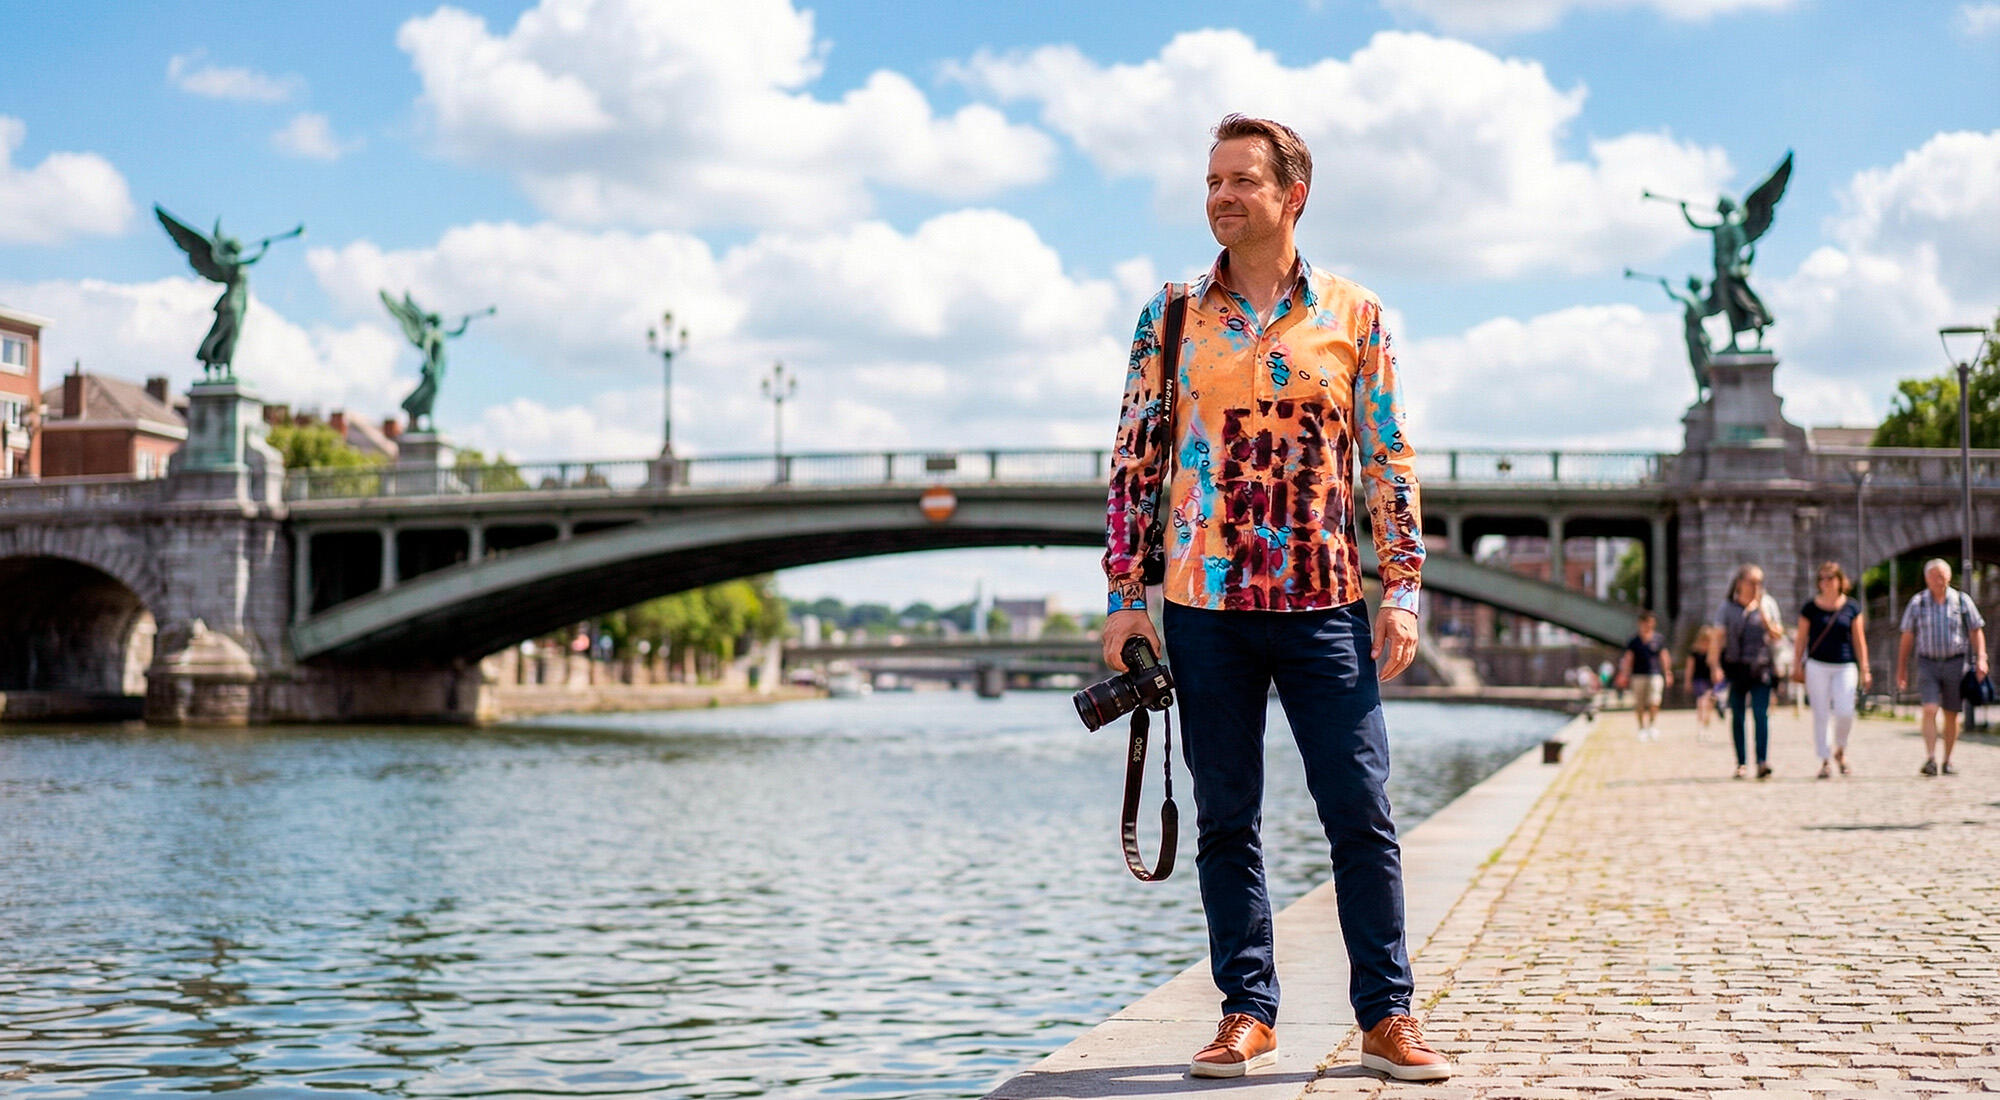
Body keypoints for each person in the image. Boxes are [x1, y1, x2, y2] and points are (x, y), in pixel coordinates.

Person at [1100, 114, 1449, 1083]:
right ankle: (1245, 1009)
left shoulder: (1354, 314)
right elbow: (1134, 459)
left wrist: (1402, 586)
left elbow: (1387, 458)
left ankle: (1385, 1013)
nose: (1218, 196)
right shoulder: (1169, 318)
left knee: (1359, 806)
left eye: (1239, 180)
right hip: (1201, 605)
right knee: (1225, 816)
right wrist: (1125, 592)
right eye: (1210, 180)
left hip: (1325, 598)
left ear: (1291, 195)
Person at [1896, 559, 1987, 776]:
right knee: (1930, 708)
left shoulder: (1961, 601)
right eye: (1935, 575)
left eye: (1943, 575)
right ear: (1927, 579)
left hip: (1956, 662)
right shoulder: (1918, 603)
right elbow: (1907, 636)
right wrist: (1902, 668)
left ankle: (1947, 760)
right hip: (1927, 662)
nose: (1940, 579)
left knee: (1951, 714)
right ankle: (1930, 758)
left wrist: (1981, 657)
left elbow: (1976, 630)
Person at [1791, 562, 1871, 778]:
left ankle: (1840, 750)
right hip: (1817, 665)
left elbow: (1859, 639)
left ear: (1839, 581)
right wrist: (1796, 664)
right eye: (1822, 578)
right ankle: (1825, 759)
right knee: (1821, 713)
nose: (1825, 582)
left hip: (1845, 665)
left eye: (1830, 578)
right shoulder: (1810, 607)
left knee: (1845, 711)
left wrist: (1865, 668)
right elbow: (1801, 639)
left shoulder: (1852, 607)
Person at [1710, 564, 1784, 779]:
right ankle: (1741, 763)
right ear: (1740, 583)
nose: (1756, 586)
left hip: (1761, 667)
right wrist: (1715, 666)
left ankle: (1762, 761)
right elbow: (1717, 637)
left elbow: (1778, 635)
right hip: (1736, 667)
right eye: (1752, 582)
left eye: (1759, 582)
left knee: (1761, 715)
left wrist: (1762, 612)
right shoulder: (1727, 607)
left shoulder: (1768, 604)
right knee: (1738, 716)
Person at [1614, 611, 1673, 740]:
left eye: (1652, 622)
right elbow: (1629, 658)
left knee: (1655, 701)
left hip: (1655, 674)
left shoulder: (1659, 639)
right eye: (1647, 622)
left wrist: (1667, 672)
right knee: (1639, 703)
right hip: (1638, 675)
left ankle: (1652, 726)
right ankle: (1641, 728)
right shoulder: (1634, 640)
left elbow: (1664, 656)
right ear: (1641, 623)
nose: (1649, 625)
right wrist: (1624, 674)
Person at [1683, 624, 1722, 733]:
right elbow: (1689, 668)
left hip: (1710, 680)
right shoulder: (1694, 652)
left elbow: (1715, 666)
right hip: (1699, 679)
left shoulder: (1713, 652)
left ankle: (1706, 724)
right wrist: (1688, 681)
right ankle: (1701, 725)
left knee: (1709, 704)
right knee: (1701, 701)